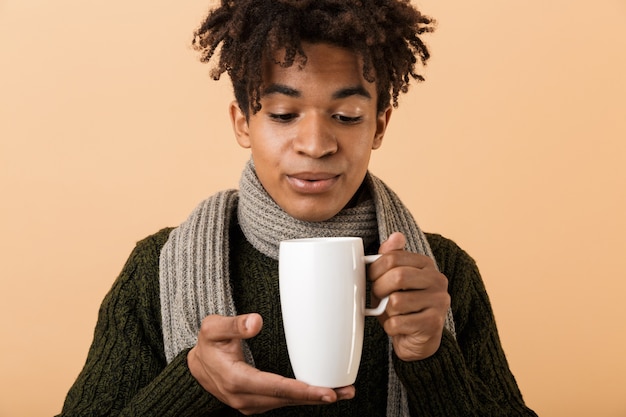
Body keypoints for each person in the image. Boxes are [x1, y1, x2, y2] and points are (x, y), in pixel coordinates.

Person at [58, 1, 538, 416]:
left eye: (347, 116)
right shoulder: (157, 269)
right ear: (243, 122)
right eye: (284, 115)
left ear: (379, 126)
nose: (315, 144)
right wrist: (194, 380)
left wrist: (433, 358)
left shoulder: (438, 274)